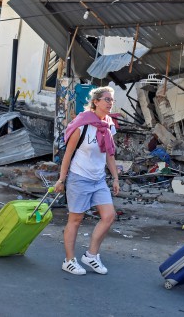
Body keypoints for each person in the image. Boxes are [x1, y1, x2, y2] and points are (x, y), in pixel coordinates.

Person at [55, 86, 120, 275]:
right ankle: (69, 260)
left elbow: (109, 154)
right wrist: (61, 179)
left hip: (98, 180)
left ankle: (91, 256)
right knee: (76, 219)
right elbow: (67, 155)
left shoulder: (109, 125)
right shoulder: (82, 125)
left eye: (112, 100)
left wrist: (115, 177)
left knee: (108, 216)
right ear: (96, 102)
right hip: (79, 178)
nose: (110, 103)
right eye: (107, 99)